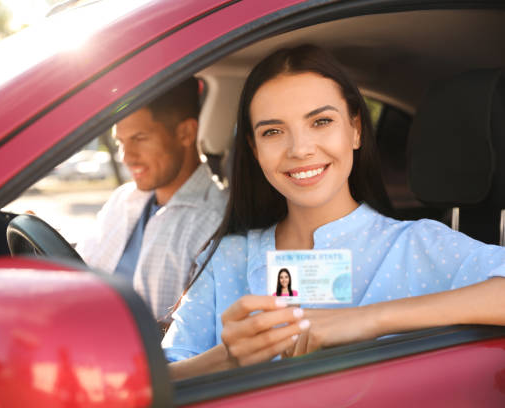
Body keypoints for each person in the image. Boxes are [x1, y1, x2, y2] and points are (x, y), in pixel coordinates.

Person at [162, 45, 505, 380]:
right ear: (254, 149)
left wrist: (367, 319)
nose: (300, 149)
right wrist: (226, 360)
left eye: (321, 121)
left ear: (355, 129)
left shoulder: (418, 246)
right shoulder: (226, 259)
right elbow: (159, 381)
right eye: (273, 131)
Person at [76, 78, 227, 325]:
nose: (126, 157)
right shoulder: (124, 199)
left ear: (185, 133)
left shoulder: (215, 220)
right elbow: (81, 265)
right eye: (120, 142)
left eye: (139, 138)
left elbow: (192, 333)